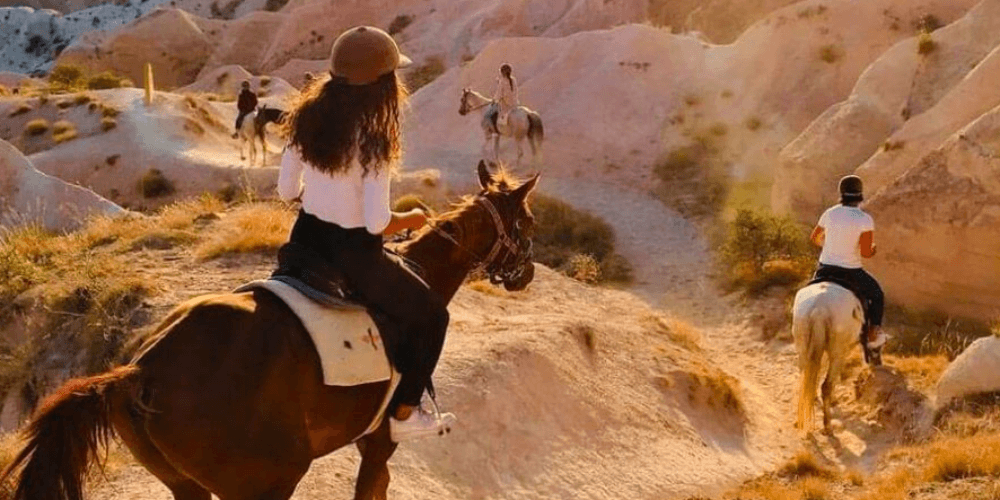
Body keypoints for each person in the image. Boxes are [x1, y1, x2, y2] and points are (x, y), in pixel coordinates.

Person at [276, 25, 456, 442]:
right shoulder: (374, 141)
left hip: (302, 244)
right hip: (353, 257)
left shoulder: (305, 119)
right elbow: (376, 224)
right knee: (433, 317)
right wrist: (410, 219)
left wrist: (321, 197)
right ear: (381, 85)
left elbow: (286, 190)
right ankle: (406, 415)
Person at [809, 175, 887, 350]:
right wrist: (872, 248)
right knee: (877, 295)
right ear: (860, 194)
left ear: (841, 193)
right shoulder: (864, 219)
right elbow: (866, 253)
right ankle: (873, 336)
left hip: (825, 268)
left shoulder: (829, 213)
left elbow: (814, 238)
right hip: (850, 271)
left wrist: (829, 245)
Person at [492, 63, 519, 131]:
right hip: (515, 103)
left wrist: (494, 100)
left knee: (497, 117)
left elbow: (499, 93)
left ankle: (499, 131)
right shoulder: (514, 80)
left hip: (506, 104)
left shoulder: (502, 81)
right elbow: (515, 92)